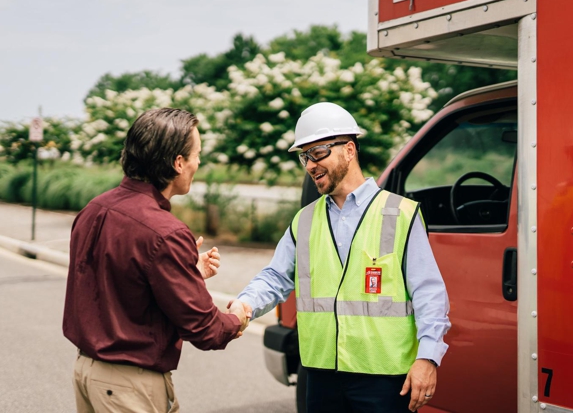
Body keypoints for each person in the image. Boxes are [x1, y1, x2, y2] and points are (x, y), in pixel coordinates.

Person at [235, 102, 451, 412]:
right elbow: (276, 277)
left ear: (349, 150)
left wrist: (428, 357)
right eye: (304, 156)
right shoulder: (304, 220)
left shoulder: (400, 214)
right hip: (322, 377)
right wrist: (244, 305)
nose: (310, 164)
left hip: (385, 380)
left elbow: (429, 293)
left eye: (318, 152)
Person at [63, 108, 249, 413]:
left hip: (86, 373)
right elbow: (204, 329)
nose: (198, 163)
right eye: (196, 155)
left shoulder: (93, 210)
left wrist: (188, 275)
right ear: (178, 163)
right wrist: (237, 317)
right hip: (128, 386)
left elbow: (119, 285)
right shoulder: (166, 232)